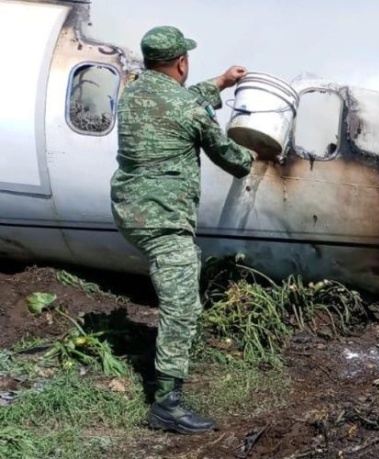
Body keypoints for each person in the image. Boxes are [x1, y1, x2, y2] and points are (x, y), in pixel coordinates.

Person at [109, 25, 259, 434]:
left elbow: (180, 101)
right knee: (182, 309)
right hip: (162, 220)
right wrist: (258, 152)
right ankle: (166, 405)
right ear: (181, 62)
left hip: (130, 208)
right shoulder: (189, 110)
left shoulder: (136, 90)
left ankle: (167, 390)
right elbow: (233, 159)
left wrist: (223, 82)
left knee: (177, 293)